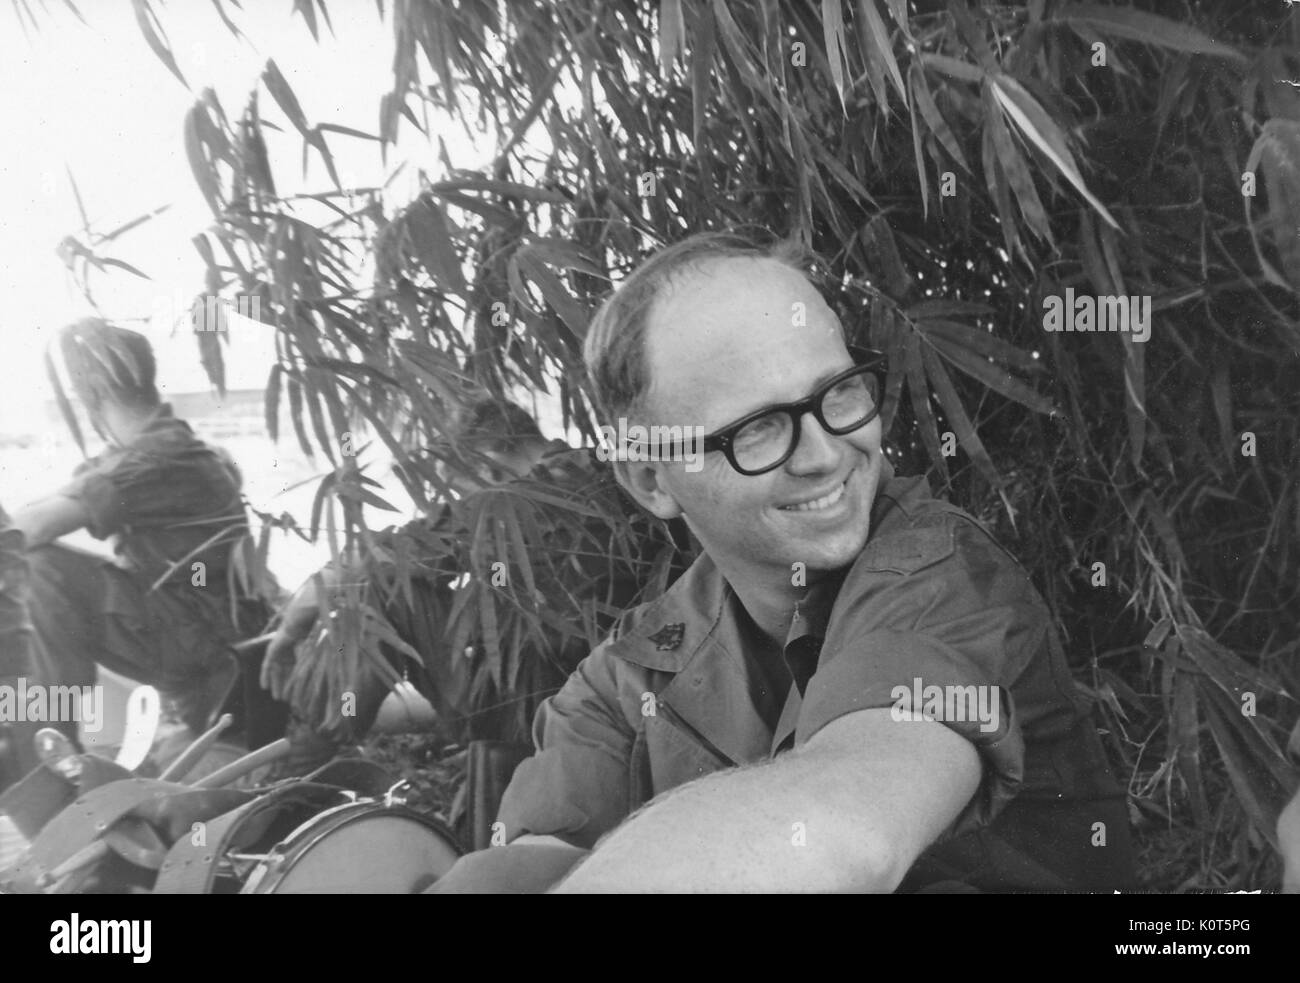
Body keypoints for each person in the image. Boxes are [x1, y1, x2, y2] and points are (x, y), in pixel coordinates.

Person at [428, 230, 1136, 893]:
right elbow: (532, 861)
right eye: (758, 429)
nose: (827, 453)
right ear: (650, 480)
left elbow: (849, 827)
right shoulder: (629, 674)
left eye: (839, 393)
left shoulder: (932, 571)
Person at [262, 397, 682, 772]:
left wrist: (289, 632)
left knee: (382, 586)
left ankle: (302, 758)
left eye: (457, 483)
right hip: (625, 694)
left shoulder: (505, 503)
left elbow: (366, 560)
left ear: (484, 463)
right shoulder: (604, 470)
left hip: (543, 714)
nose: (454, 499)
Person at [7, 319, 268, 766]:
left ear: (91, 396)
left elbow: (28, 530)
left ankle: (47, 747)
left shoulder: (163, 457)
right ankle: (37, 726)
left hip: (212, 658)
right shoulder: (163, 447)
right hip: (201, 645)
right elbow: (39, 510)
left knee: (42, 568)